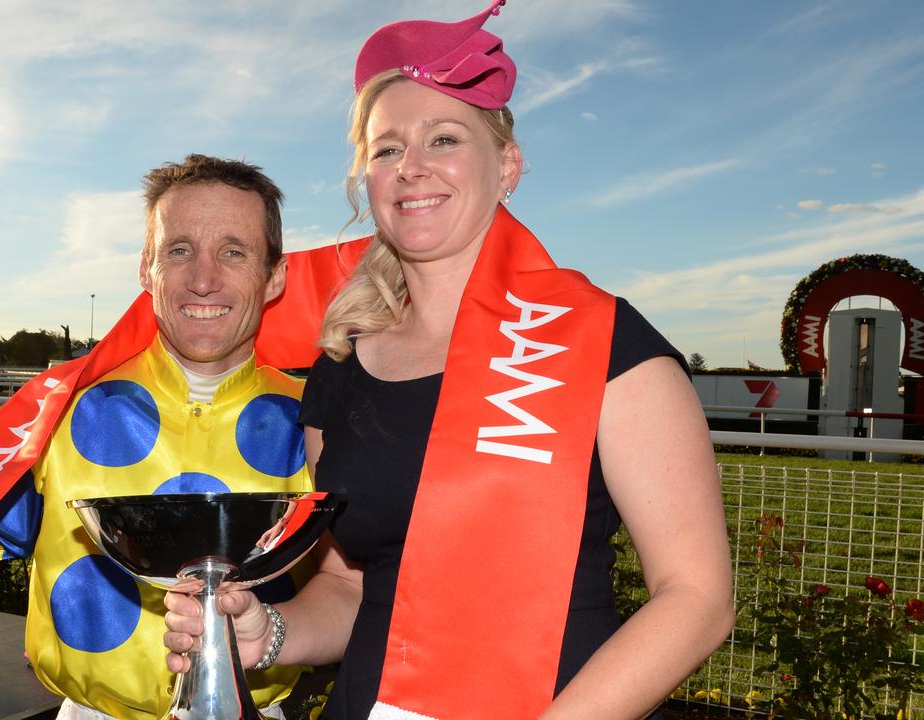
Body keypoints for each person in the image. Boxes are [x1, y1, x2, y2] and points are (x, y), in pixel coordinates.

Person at [162, 4, 736, 719]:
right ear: (366, 179)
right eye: (386, 148)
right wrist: (267, 632)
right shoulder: (341, 368)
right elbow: (351, 588)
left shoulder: (604, 342)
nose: (411, 168)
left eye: (444, 138)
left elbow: (697, 600)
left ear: (508, 167)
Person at [0, 154, 316, 720]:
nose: (203, 278)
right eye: (178, 250)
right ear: (145, 269)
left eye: (234, 252)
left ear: (274, 275)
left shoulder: (320, 420)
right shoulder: (60, 407)